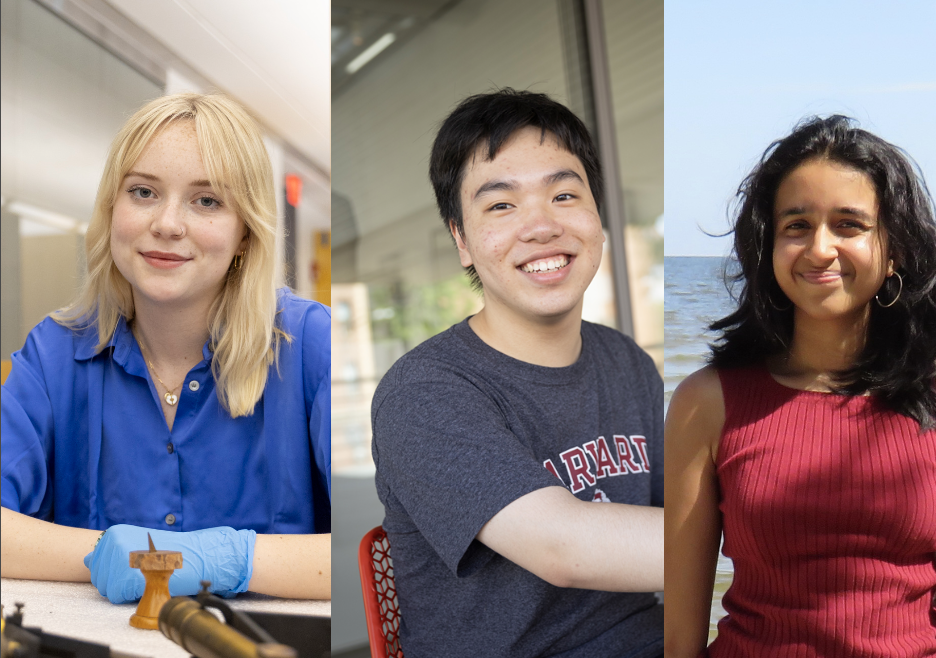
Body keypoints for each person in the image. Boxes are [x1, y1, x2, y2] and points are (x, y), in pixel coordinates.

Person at [663, 115, 936, 657]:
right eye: (797, 226)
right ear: (768, 248)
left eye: (849, 225)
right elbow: (679, 639)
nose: (820, 249)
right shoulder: (707, 402)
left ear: (895, 251)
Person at [1, 93, 331, 603]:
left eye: (207, 201)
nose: (168, 224)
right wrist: (121, 554)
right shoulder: (53, 356)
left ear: (246, 233)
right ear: (112, 210)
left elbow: (387, 544)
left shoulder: (311, 345)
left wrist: (210, 560)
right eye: (143, 192)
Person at [370, 89, 663, 657]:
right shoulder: (424, 392)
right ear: (461, 240)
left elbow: (689, 512)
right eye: (501, 206)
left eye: (564, 194)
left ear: (598, 218)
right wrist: (768, 536)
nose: (541, 226)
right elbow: (564, 548)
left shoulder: (626, 361)